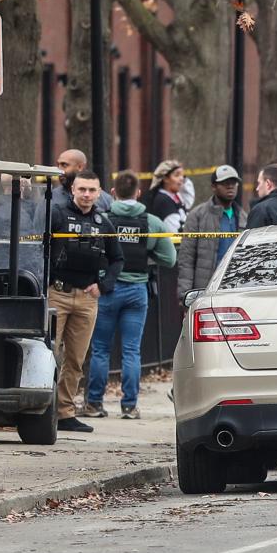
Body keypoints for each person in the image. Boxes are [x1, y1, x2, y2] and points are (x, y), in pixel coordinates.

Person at [84, 172, 176, 420]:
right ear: (138, 193)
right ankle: (129, 406)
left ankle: (94, 403)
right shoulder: (153, 223)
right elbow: (170, 258)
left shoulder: (102, 219)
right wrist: (145, 254)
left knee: (101, 349)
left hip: (105, 290)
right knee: (131, 351)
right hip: (137, 292)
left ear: (112, 193)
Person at [49, 170, 124, 433]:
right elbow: (37, 247)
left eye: (92, 190)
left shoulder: (104, 223)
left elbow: (117, 259)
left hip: (87, 299)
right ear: (73, 190)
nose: (86, 195)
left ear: (100, 192)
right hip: (56, 294)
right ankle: (41, 410)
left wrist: (104, 285)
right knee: (48, 355)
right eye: (82, 189)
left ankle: (65, 412)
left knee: (75, 359)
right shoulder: (56, 214)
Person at [178, 165, 246, 297]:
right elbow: (186, 258)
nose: (230, 186)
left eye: (233, 183)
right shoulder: (197, 215)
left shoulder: (243, 217)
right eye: (225, 183)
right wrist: (185, 295)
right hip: (206, 290)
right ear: (214, 187)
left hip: (235, 290)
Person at [147, 160, 187, 233]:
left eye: (182, 175)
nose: (181, 178)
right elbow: (174, 231)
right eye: (177, 175)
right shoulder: (163, 200)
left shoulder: (176, 196)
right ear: (166, 179)